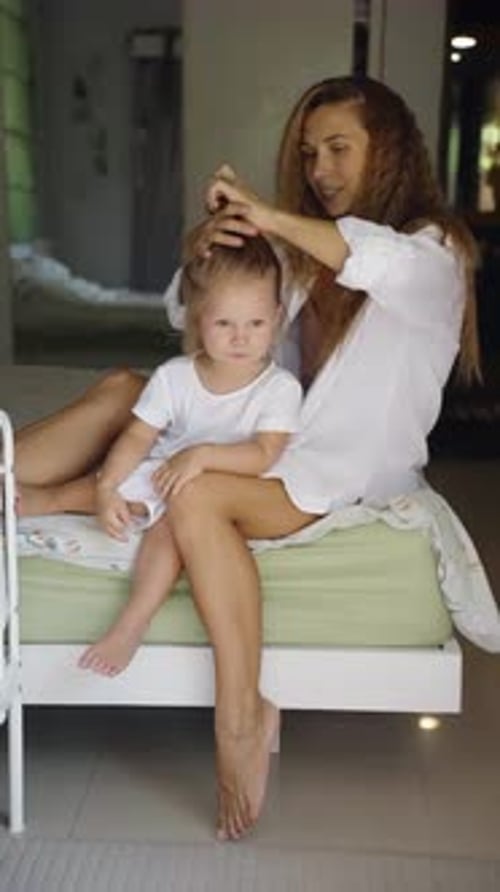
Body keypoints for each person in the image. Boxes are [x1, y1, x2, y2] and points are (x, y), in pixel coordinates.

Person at [14, 76, 480, 842]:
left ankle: (240, 715)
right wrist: (202, 248)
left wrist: (269, 216)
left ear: (390, 149)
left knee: (197, 493)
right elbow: (200, 315)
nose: (320, 169)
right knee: (127, 389)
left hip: (335, 477)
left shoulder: (435, 252)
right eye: (310, 153)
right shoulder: (302, 258)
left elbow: (376, 261)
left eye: (339, 149)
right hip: (257, 443)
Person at [78, 236, 302, 676]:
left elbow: (263, 455)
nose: (241, 337)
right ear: (198, 319)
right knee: (94, 488)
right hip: (167, 472)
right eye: (224, 323)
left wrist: (203, 456)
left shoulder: (280, 389)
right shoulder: (174, 377)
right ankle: (29, 500)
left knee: (170, 523)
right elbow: (137, 437)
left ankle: (130, 624)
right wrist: (107, 487)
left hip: (224, 486)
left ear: (277, 318)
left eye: (256, 323)